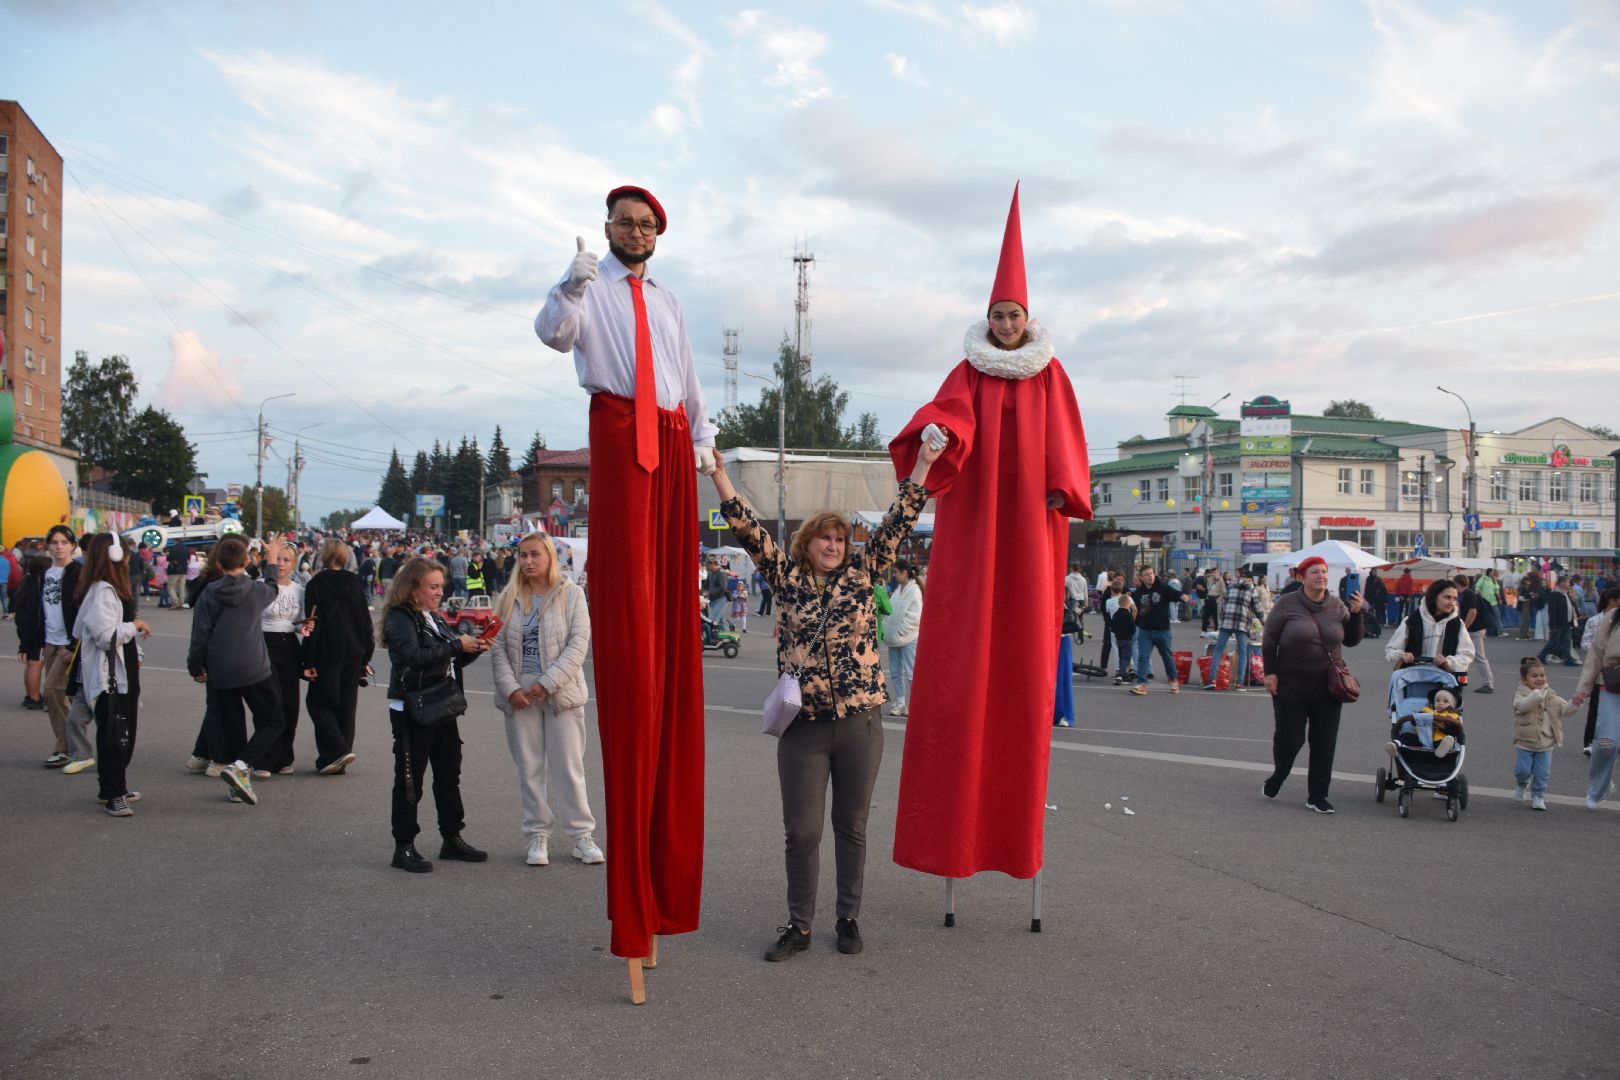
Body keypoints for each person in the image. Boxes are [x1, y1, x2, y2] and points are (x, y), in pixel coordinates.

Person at [887, 185, 1092, 891]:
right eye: (997, 314)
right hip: (976, 525)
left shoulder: (1050, 374)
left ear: (1027, 318)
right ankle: (949, 844)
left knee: (1023, 664)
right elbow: (947, 418)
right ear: (988, 319)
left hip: (1031, 526)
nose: (1005, 324)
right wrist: (938, 438)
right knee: (960, 657)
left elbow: (1065, 439)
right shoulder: (970, 371)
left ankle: (1011, 844)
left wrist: (1063, 486)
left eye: (1014, 314)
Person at [535, 183, 715, 974]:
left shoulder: (668, 300)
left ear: (657, 236)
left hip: (672, 438)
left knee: (671, 598)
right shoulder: (590, 290)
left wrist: (705, 440)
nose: (635, 232)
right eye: (624, 223)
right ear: (608, 230)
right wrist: (571, 280)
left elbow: (683, 372)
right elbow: (553, 334)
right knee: (631, 596)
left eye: (647, 225)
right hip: (618, 427)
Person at [713, 433, 940, 961]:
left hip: (860, 723)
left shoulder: (866, 573)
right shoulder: (785, 577)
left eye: (840, 539)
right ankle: (799, 925)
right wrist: (717, 473)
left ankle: (847, 918)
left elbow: (900, 518)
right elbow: (746, 526)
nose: (834, 546)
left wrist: (925, 463)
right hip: (803, 727)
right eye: (824, 539)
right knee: (802, 831)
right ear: (807, 544)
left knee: (852, 826)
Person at [491, 531, 602, 868]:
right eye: (523, 555)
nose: (528, 562)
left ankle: (582, 836)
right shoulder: (509, 596)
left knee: (569, 767)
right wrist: (511, 689)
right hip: (520, 694)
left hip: (560, 691)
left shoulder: (572, 594)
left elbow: (579, 644)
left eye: (535, 554)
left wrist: (547, 683)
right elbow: (496, 648)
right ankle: (537, 834)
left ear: (550, 557)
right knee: (529, 768)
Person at [381, 557, 491, 872]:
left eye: (441, 586)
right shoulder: (400, 617)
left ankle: (452, 837)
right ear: (414, 588)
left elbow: (446, 662)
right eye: (433, 586)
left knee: (448, 774)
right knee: (409, 780)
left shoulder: (434, 616)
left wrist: (473, 649)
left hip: (441, 703)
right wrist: (458, 645)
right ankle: (403, 846)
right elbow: (414, 658)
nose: (439, 592)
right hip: (412, 708)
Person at [187, 536, 290, 805]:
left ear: (219, 564)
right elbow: (272, 586)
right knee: (273, 720)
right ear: (246, 561)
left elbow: (200, 634)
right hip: (254, 665)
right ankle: (241, 767)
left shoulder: (209, 593)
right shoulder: (255, 591)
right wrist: (271, 557)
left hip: (220, 668)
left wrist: (195, 666)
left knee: (232, 723)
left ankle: (235, 779)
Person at [1260, 554, 1365, 814]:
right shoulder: (1287, 603)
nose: (1321, 576)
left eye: (1324, 572)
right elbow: (1269, 639)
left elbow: (1351, 640)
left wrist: (1357, 614)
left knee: (1324, 742)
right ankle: (1279, 775)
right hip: (1290, 685)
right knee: (1290, 740)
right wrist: (1270, 672)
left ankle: (1317, 795)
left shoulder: (1338, 605)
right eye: (1315, 572)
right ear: (1302, 577)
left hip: (1329, 686)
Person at [71, 533, 152, 816]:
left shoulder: (108, 589)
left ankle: (115, 786)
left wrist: (135, 649)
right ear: (115, 555)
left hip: (121, 668)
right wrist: (136, 626)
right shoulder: (104, 591)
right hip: (111, 674)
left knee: (119, 730)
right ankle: (113, 792)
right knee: (115, 733)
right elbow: (105, 636)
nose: (129, 556)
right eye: (125, 551)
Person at [301, 539, 375, 775]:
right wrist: (366, 656)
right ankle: (336, 758)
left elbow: (313, 624)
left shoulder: (316, 584)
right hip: (353, 652)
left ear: (324, 556)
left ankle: (336, 751)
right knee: (346, 706)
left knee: (319, 703)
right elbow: (365, 622)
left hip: (326, 652)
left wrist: (308, 660)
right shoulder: (354, 583)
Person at [260, 540, 307, 776]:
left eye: (286, 560)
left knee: (290, 703)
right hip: (263, 644)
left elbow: (300, 624)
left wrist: (304, 628)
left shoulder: (300, 590)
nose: (280, 564)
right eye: (277, 558)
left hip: (289, 647)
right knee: (270, 702)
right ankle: (264, 759)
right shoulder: (261, 585)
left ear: (294, 564)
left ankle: (284, 757)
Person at [39, 526, 82, 768]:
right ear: (48, 546)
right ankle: (73, 746)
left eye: (64, 542)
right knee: (58, 698)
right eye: (54, 542)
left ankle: (66, 747)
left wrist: (73, 643)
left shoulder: (77, 572)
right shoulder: (45, 573)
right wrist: (32, 643)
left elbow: (81, 609)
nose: (59, 546)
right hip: (50, 642)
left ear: (72, 546)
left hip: (67, 643)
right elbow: (39, 610)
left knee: (51, 691)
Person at [1571, 596, 1620, 809]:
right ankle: (1598, 788)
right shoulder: (1613, 616)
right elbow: (1595, 654)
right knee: (1606, 743)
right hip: (1613, 685)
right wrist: (1583, 688)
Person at [1387, 578, 1476, 689]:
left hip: (1445, 685)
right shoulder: (1411, 621)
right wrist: (1402, 655)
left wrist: (1448, 661)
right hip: (1413, 682)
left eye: (1454, 599)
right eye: (1447, 597)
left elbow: (1467, 654)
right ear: (1434, 597)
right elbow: (1391, 650)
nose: (1451, 602)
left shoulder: (1457, 624)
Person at [1512, 658, 1575, 811]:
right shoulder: (1520, 694)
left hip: (1545, 743)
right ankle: (1522, 784)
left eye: (1542, 675)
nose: (1539, 679)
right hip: (1524, 741)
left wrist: (1576, 702)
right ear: (1524, 679)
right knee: (1522, 771)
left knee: (1542, 774)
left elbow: (1565, 710)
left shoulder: (1550, 694)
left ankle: (1538, 796)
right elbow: (1522, 707)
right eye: (1534, 676)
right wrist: (1536, 695)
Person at [1128, 566, 1190, 696]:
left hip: (1162, 630)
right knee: (1143, 657)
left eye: (1151, 573)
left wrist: (1184, 597)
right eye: (1146, 574)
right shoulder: (1139, 592)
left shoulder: (1162, 588)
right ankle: (1141, 684)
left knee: (1167, 657)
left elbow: (1176, 594)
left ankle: (1174, 681)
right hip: (1145, 631)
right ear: (1141, 577)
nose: (1150, 576)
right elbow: (1133, 606)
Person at [1207, 566, 1265, 692]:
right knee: (1242, 652)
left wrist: (1221, 619)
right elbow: (1258, 609)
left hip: (1227, 622)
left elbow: (1222, 604)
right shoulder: (1251, 589)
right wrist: (1265, 622)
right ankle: (1239, 683)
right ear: (1249, 579)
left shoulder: (1231, 586)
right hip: (1242, 623)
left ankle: (1212, 680)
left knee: (1218, 650)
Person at [1579, 588, 1620, 755]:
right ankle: (1590, 742)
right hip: (1607, 675)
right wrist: (1582, 689)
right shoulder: (1600, 620)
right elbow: (1591, 646)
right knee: (1596, 709)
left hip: (1607, 673)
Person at [884, 560, 923, 717]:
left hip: (908, 637)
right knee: (895, 672)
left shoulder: (914, 591)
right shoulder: (898, 589)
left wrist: (900, 631)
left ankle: (912, 704)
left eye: (895, 572)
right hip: (895, 638)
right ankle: (900, 703)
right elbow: (890, 611)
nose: (894, 575)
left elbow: (915, 616)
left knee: (910, 673)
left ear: (904, 573)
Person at [14, 553, 49, 710]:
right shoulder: (38, 586)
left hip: (26, 630)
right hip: (36, 631)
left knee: (31, 663)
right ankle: (35, 698)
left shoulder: (26, 583)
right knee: (36, 664)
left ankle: (30, 695)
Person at [1456, 574, 1495, 693]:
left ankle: (1488, 683)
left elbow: (1472, 612)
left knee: (1477, 656)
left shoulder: (1468, 595)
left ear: (1458, 584)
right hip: (1473, 630)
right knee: (1466, 656)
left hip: (1473, 630)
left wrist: (1464, 628)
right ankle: (1461, 681)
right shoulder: (1467, 595)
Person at [1537, 578, 1579, 667]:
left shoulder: (1566, 594)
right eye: (1567, 582)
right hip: (1558, 623)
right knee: (1553, 641)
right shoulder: (1555, 594)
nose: (1569, 584)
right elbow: (1552, 611)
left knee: (1566, 641)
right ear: (1562, 583)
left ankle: (1568, 659)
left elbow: (1571, 606)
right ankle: (1541, 655)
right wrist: (1553, 624)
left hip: (1566, 622)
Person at [1107, 584, 1137, 683]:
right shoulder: (1128, 615)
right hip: (1127, 638)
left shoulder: (1115, 614)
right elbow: (1132, 628)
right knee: (1127, 657)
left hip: (1118, 638)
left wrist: (1116, 632)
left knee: (1120, 655)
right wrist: (1131, 632)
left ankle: (1121, 671)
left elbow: (1112, 626)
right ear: (1128, 604)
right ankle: (1122, 674)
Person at [703, 556, 730, 631]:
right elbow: (705, 585)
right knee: (721, 622)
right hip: (714, 600)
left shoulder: (721, 573)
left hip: (721, 600)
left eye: (707, 564)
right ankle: (727, 639)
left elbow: (723, 587)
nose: (706, 566)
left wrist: (709, 593)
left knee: (712, 619)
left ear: (713, 564)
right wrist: (702, 592)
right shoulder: (711, 573)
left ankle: (711, 638)